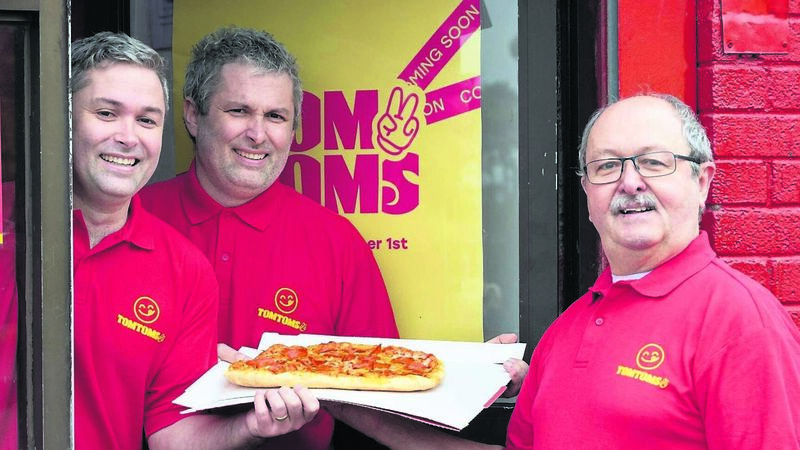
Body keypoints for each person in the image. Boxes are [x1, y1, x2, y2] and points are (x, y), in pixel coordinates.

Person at [326, 93, 800, 449]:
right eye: (607, 166)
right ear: (587, 194)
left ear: (702, 181)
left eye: (655, 163)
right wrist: (348, 403)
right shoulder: (566, 330)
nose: (630, 181)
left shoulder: (739, 322)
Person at [138, 26, 400, 449]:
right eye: (239, 110)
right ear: (192, 113)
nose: (258, 134)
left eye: (276, 116)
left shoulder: (336, 242)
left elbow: (380, 389)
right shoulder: (136, 219)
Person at [71, 32, 319, 449]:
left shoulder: (183, 268)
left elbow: (170, 435)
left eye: (147, 120)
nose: (129, 137)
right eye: (107, 113)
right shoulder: (10, 225)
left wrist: (250, 426)